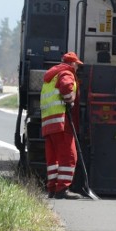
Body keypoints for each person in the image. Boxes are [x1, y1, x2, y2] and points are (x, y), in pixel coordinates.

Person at [40, 51, 84, 200]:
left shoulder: (50, 77)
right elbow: (66, 86)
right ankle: (63, 188)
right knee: (69, 156)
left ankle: (52, 188)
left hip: (48, 123)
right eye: (77, 65)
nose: (77, 68)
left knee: (53, 159)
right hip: (61, 122)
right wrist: (69, 100)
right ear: (72, 64)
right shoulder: (66, 73)